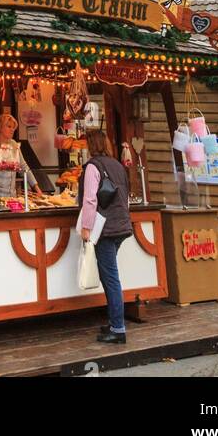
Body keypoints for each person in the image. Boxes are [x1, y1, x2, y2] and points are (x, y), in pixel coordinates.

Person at [77, 132, 132, 344]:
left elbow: (90, 200)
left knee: (110, 278)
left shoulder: (93, 166)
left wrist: (86, 227)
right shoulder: (117, 165)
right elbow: (125, 196)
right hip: (121, 226)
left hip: (104, 228)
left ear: (91, 145)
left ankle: (118, 329)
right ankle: (113, 322)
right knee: (109, 275)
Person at [0, 110, 38, 200]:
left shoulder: (14, 144)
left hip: (11, 198)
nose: (12, 130)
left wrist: (36, 188)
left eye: (13, 127)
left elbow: (24, 167)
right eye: (9, 126)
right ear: (0, 127)